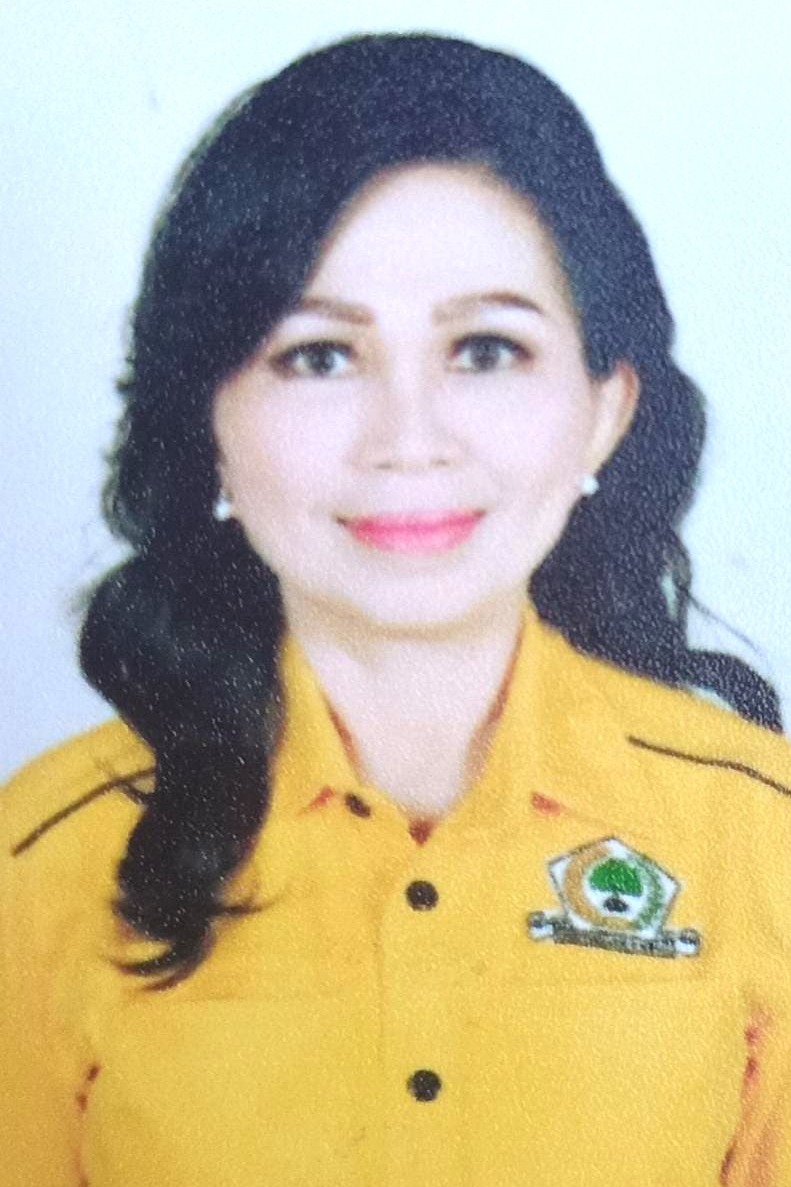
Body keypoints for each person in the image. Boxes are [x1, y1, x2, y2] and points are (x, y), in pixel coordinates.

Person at [2, 30, 790, 1187]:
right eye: (319, 357)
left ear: (603, 412)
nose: (406, 440)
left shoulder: (761, 844)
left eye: (486, 348)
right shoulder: (39, 864)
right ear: (208, 423)